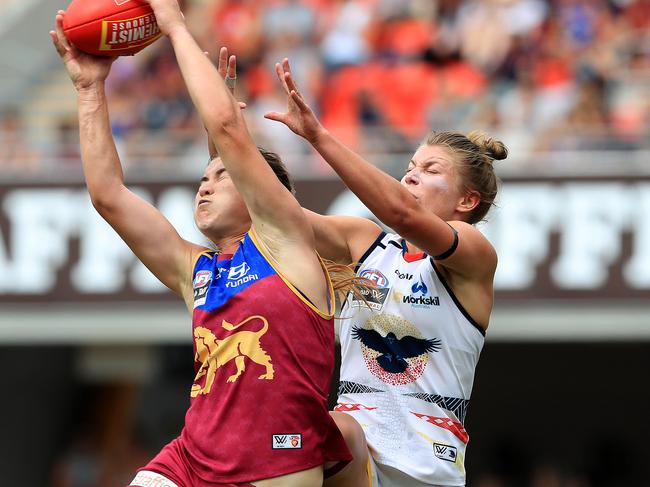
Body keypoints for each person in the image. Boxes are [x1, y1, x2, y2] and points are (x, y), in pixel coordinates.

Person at [50, 5, 357, 486]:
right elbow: (108, 196)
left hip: (275, 460)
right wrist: (90, 88)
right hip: (190, 461)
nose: (204, 187)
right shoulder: (198, 269)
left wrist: (173, 24)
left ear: (261, 194)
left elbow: (228, 130)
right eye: (202, 178)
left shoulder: (285, 240)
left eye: (222, 175)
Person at [265, 59, 508, 487]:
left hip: (424, 468)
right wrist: (226, 129)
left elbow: (403, 213)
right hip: (357, 451)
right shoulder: (365, 242)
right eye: (412, 165)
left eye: (431, 170)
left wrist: (318, 136)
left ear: (467, 201)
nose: (412, 173)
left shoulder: (473, 253)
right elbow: (280, 218)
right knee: (295, 426)